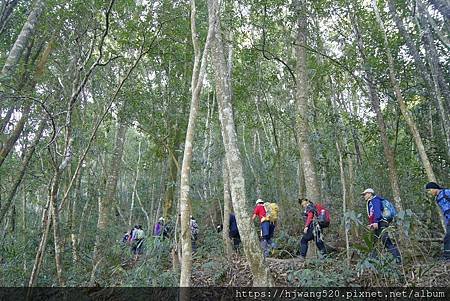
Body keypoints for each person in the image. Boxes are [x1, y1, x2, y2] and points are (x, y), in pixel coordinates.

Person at [361, 188, 401, 263]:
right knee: (373, 242)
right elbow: (373, 214)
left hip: (381, 223)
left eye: (365, 194)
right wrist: (372, 224)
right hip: (378, 223)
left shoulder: (375, 200)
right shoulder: (372, 201)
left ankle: (398, 260)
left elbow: (377, 211)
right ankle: (374, 261)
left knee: (385, 241)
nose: (364, 196)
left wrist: (376, 222)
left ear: (370, 194)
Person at [425, 182, 450, 262]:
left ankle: (447, 256)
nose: (429, 192)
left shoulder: (446, 192)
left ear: (434, 188)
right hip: (449, 219)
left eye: (429, 190)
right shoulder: (437, 198)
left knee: (447, 237)